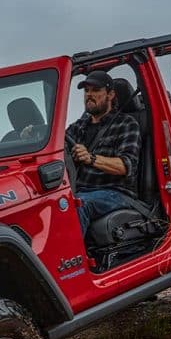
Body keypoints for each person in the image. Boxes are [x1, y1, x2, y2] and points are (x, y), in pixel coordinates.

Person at [65, 70, 140, 239]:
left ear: (110, 94)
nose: (89, 95)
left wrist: (91, 158)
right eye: (86, 91)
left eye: (96, 90)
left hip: (115, 192)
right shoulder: (78, 127)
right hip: (80, 189)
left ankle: (76, 263)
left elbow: (126, 166)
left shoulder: (126, 124)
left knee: (78, 204)